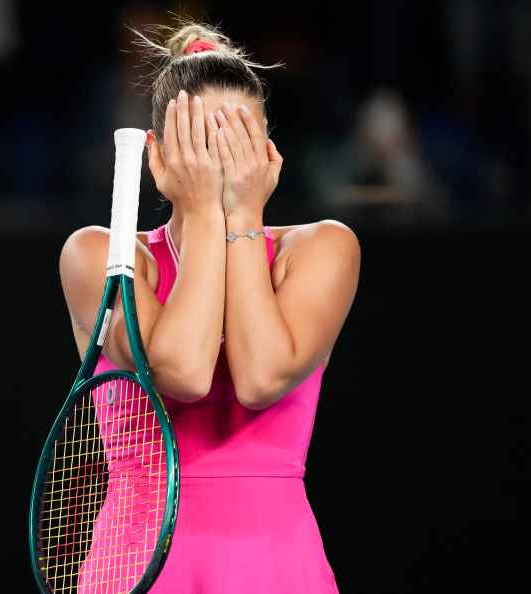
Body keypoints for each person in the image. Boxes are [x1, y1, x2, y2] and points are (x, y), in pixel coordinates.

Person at [59, 21, 359, 593]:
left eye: (238, 142)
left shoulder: (323, 248)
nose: (220, 162)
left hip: (276, 567)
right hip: (141, 567)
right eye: (201, 142)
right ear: (158, 155)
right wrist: (202, 214)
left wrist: (242, 219)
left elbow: (262, 376)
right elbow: (184, 372)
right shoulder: (100, 254)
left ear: (268, 152)